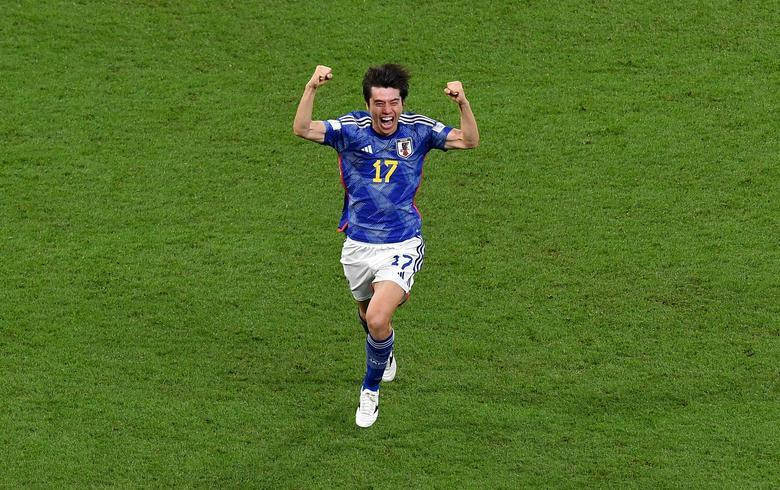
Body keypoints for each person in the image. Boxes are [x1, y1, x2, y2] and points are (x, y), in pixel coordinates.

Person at [293, 63, 479, 427]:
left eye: (394, 102)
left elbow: (468, 140)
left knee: (378, 317)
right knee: (367, 317)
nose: (387, 111)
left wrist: (463, 103)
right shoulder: (350, 129)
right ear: (368, 104)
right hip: (358, 245)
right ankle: (385, 350)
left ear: (402, 104)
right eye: (379, 103)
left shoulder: (420, 130)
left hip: (402, 243)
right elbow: (301, 128)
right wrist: (311, 87)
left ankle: (370, 390)